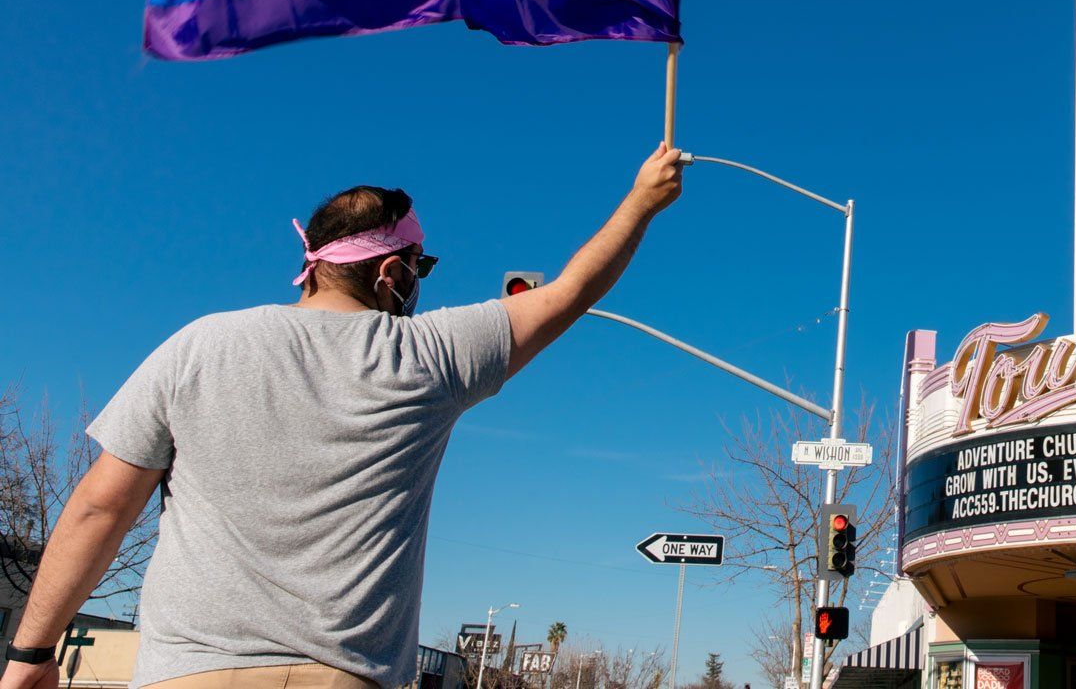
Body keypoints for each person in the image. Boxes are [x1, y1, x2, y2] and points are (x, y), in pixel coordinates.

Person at [0, 143, 686, 689]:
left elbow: (99, 508)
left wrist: (31, 649)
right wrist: (642, 202)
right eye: (425, 264)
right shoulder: (427, 356)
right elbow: (568, 293)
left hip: (188, 672)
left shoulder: (198, 346)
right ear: (393, 273)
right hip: (345, 677)